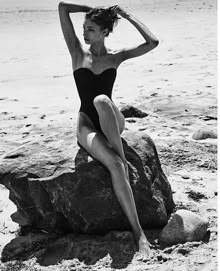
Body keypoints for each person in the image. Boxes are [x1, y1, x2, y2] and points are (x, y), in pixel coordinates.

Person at [58, 1, 159, 257]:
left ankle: (122, 158)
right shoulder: (77, 53)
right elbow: (62, 6)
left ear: (104, 32)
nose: (84, 33)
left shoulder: (116, 56)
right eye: (84, 28)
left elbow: (152, 42)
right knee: (115, 165)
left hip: (112, 119)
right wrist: (91, 8)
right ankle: (139, 233)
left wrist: (126, 15)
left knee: (103, 100)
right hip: (87, 125)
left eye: (90, 29)